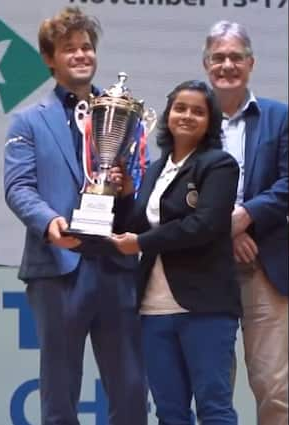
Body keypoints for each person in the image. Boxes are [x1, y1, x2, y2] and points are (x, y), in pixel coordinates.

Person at [3, 6, 146, 424]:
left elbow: (142, 185)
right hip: (57, 267)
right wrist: (48, 222)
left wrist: (128, 187)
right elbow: (18, 187)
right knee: (60, 390)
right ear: (50, 59)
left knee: (131, 386)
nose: (82, 55)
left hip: (115, 263)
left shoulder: (124, 113)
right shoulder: (28, 120)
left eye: (87, 47)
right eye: (70, 49)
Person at [110, 80, 240, 425]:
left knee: (214, 408)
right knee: (169, 412)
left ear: (210, 121)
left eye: (198, 111)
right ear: (168, 115)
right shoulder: (155, 168)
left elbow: (205, 225)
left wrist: (141, 244)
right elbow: (137, 225)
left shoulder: (220, 165)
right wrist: (124, 195)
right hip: (154, 307)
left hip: (206, 306)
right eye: (181, 108)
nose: (187, 116)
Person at [201, 21, 289, 425]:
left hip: (265, 265)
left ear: (251, 64)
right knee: (213, 386)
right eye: (218, 57)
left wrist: (247, 215)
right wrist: (228, 230)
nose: (227, 65)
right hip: (205, 268)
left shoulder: (280, 117)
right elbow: (177, 189)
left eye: (236, 57)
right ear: (206, 65)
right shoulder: (191, 119)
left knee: (275, 385)